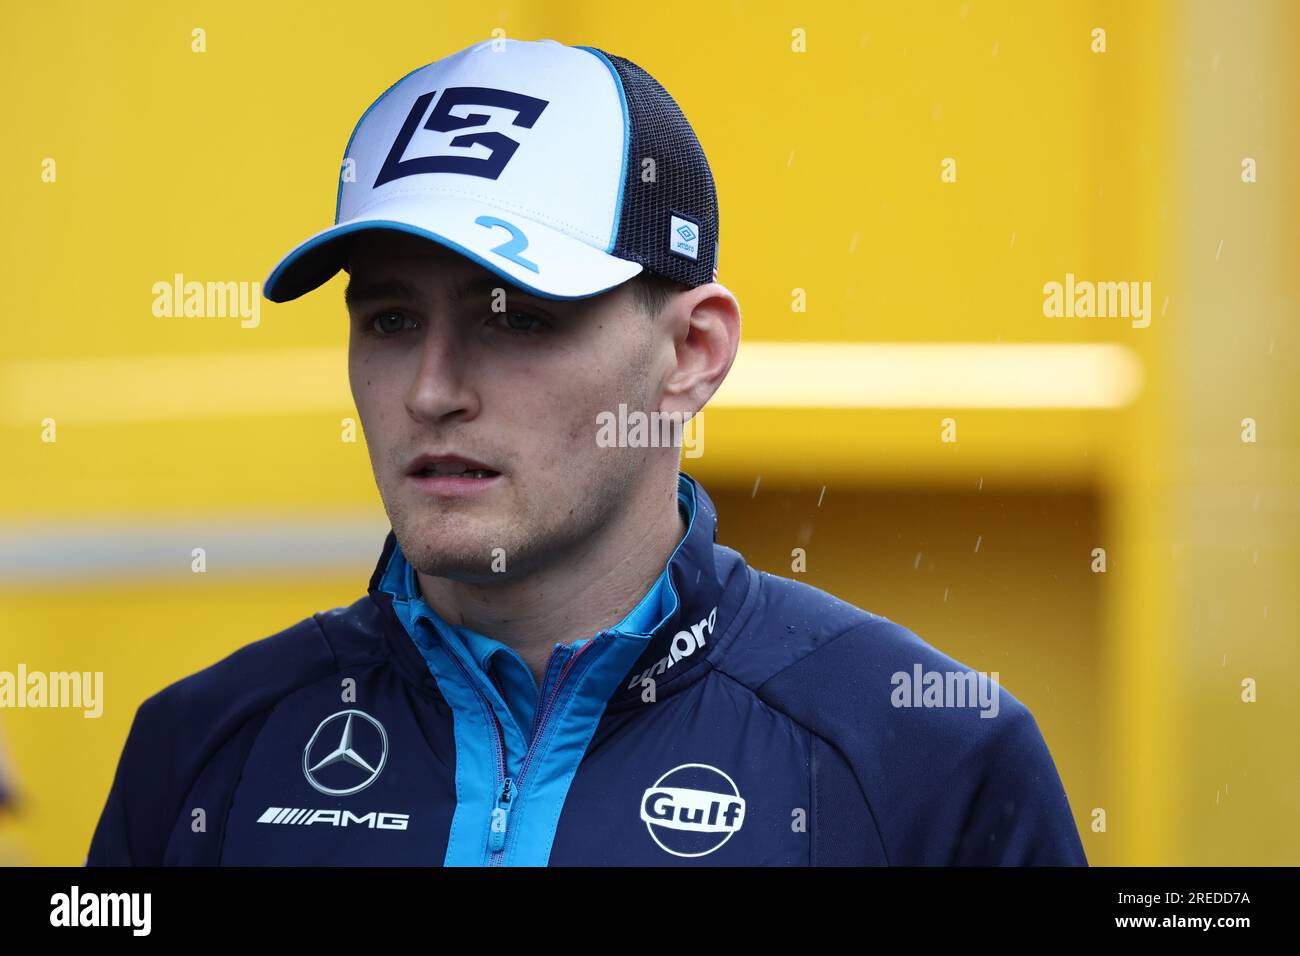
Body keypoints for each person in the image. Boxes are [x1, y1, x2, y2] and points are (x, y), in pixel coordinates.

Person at [86, 37, 1087, 866]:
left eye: (514, 319)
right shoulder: (202, 747)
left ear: (692, 352)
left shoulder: (925, 757)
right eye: (390, 321)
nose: (432, 391)